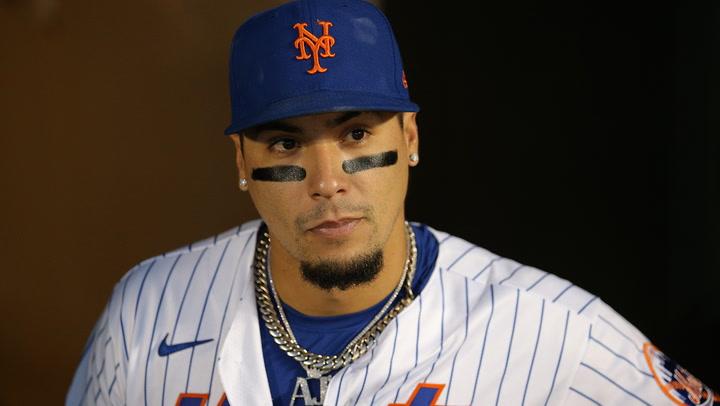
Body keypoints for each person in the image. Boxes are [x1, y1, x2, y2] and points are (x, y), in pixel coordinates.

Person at [66, 0, 717, 405]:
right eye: (286, 142)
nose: (327, 181)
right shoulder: (146, 311)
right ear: (242, 163)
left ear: (410, 139)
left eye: (356, 134)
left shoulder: (555, 331)